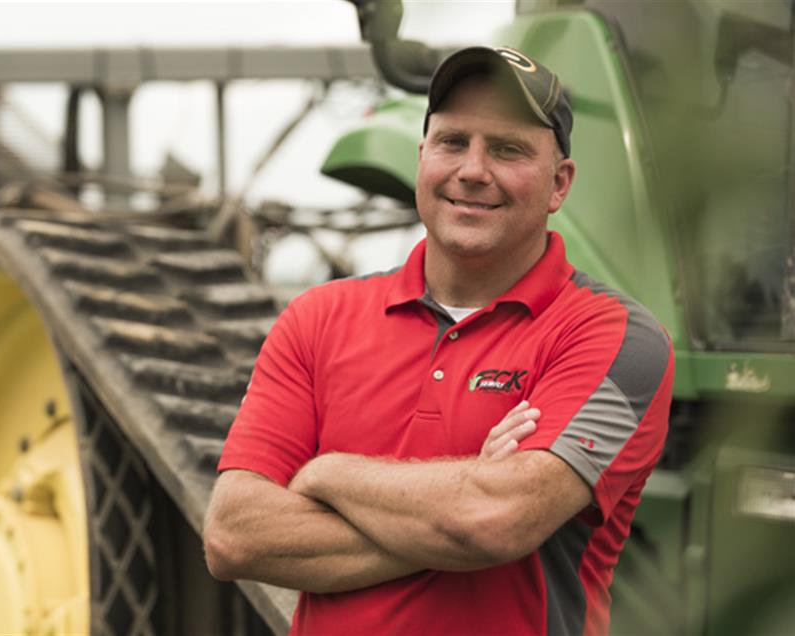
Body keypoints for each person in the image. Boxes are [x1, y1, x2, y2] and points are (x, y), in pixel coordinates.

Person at [203, 46, 674, 636]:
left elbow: (495, 520)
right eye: (453, 142)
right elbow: (234, 536)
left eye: (507, 149)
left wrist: (326, 475)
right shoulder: (316, 319)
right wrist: (463, 497)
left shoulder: (614, 337)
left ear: (560, 184)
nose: (473, 170)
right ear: (422, 155)